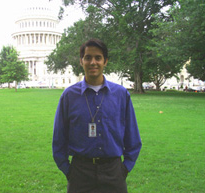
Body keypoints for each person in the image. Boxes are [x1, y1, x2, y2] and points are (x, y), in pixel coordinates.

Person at [52, 39, 142, 193]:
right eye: (88, 57)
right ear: (81, 61)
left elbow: (132, 137)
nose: (93, 62)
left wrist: (124, 168)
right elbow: (59, 138)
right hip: (80, 173)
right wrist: (68, 170)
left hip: (113, 172)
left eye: (98, 58)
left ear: (105, 61)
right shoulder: (69, 96)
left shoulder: (121, 95)